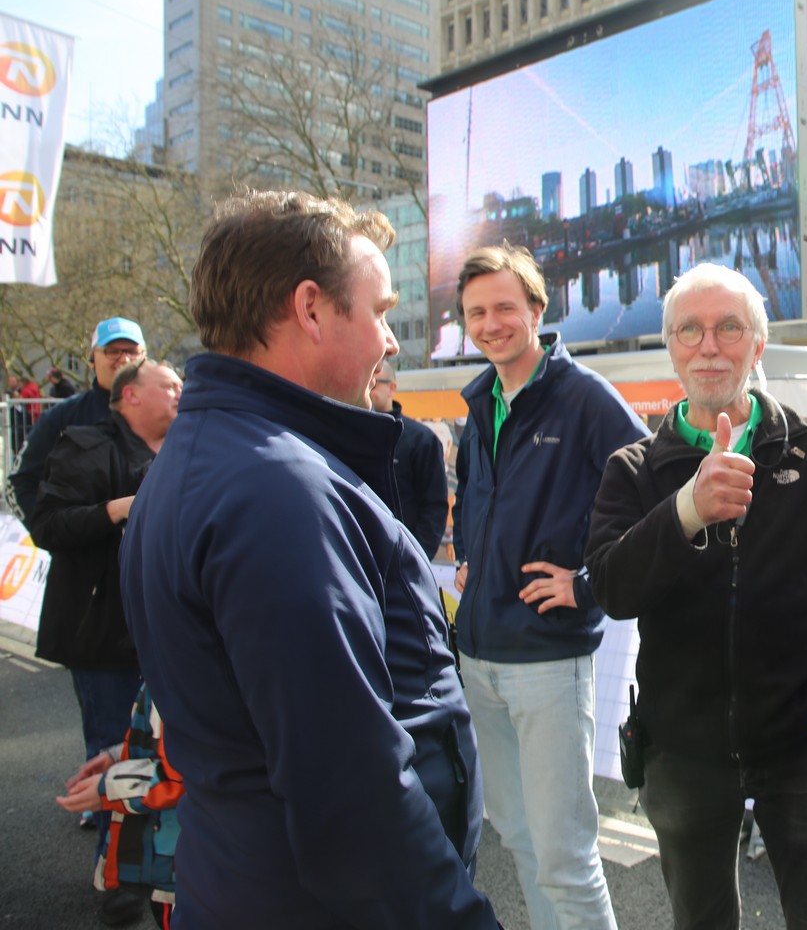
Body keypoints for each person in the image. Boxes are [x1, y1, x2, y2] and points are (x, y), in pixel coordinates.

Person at [119, 190, 500, 929]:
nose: (390, 342)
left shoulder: (212, 460)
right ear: (311, 310)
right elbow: (352, 790)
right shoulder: (277, 488)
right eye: (380, 312)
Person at [585, 263, 807, 930]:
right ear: (671, 347)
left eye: (728, 327)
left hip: (803, 745)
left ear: (758, 344)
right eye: (690, 330)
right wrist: (687, 510)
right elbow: (612, 589)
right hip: (680, 753)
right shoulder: (634, 470)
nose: (709, 346)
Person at [450, 242, 645, 930]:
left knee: (564, 855)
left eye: (504, 307)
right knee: (519, 839)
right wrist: (470, 556)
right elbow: (471, 498)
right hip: (478, 658)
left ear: (537, 309)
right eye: (476, 312)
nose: (491, 324)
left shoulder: (584, 398)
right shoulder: (481, 400)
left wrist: (588, 585)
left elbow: (653, 498)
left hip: (547, 662)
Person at [29, 358, 182, 926]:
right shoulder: (86, 445)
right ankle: (116, 883)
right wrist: (116, 510)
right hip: (102, 635)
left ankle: (160, 874)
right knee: (115, 751)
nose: (181, 392)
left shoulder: (189, 448)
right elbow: (48, 525)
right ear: (131, 396)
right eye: (169, 384)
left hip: (167, 632)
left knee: (163, 757)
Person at [57, 681, 183, 929]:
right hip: (177, 856)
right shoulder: (174, 665)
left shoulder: (183, 669)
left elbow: (186, 770)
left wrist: (108, 788)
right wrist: (118, 756)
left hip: (182, 861)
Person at [9, 317, 147, 526]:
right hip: (86, 544)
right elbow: (19, 483)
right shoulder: (62, 417)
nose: (124, 359)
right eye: (112, 351)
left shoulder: (168, 414)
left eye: (132, 351)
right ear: (91, 359)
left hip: (152, 546)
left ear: (145, 357)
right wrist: (48, 531)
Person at [369, 359, 449, 559]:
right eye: (366, 380)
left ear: (392, 388)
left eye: (375, 382)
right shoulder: (350, 434)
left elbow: (434, 507)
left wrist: (415, 560)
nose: (369, 387)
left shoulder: (421, 439)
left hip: (402, 557)